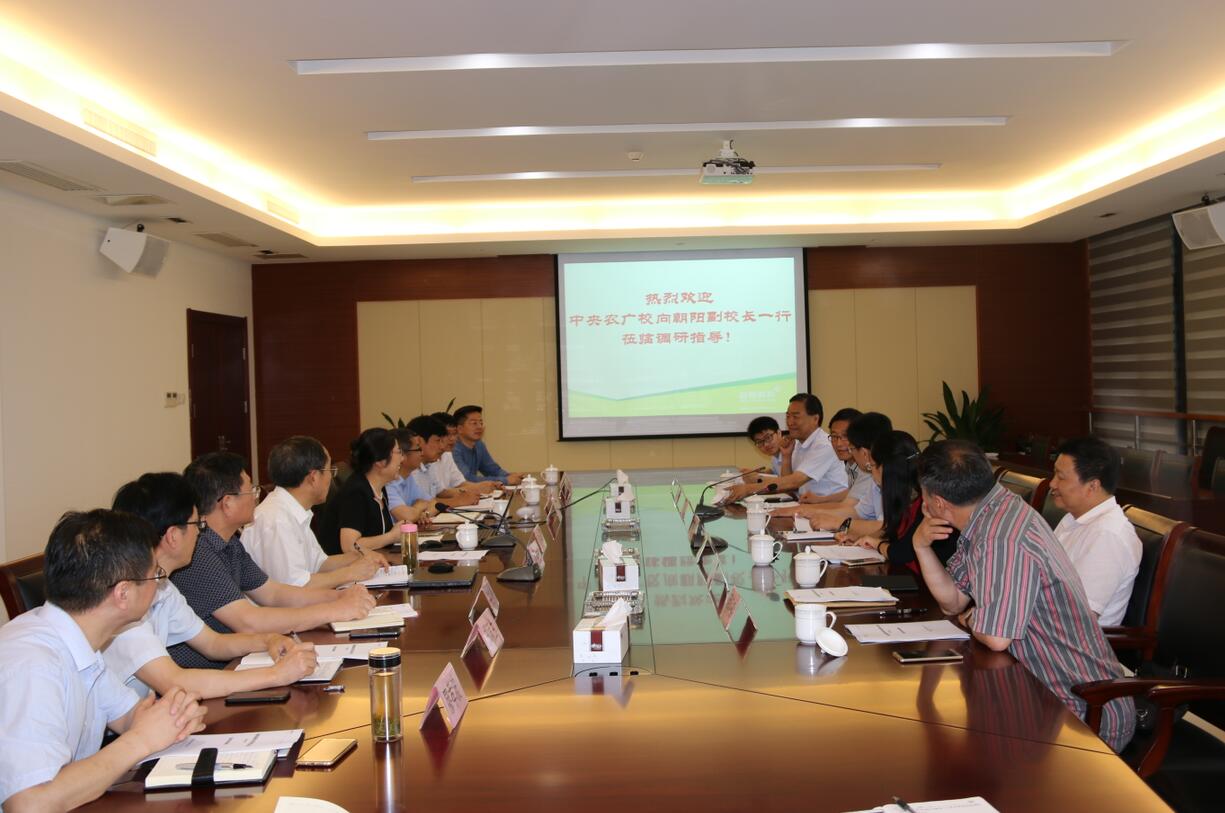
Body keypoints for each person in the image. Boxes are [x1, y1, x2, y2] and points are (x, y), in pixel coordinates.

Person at [911, 440, 1135, 752]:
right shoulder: (990, 512)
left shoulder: (1000, 537)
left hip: (1079, 707)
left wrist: (978, 619)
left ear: (937, 502)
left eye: (922, 495)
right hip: (1035, 688)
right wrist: (921, 545)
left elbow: (996, 637)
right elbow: (953, 603)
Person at [0, 510, 207, 811]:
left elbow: (129, 716)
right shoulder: (33, 664)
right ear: (123, 593)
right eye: (155, 575)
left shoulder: (81, 640)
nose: (158, 584)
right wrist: (142, 740)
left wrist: (174, 715)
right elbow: (30, 804)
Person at [107, 472, 320, 698]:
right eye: (196, 524)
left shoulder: (163, 587)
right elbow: (175, 681)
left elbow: (213, 643)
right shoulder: (124, 604)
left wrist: (269, 640)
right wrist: (276, 674)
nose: (200, 532)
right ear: (172, 536)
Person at [171, 452, 377, 669]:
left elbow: (273, 593)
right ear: (228, 503)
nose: (256, 497)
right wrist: (334, 610)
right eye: (251, 490)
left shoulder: (229, 542)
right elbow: (248, 621)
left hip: (240, 659)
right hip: (213, 672)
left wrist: (338, 596)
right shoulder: (198, 551)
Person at [241, 436, 389, 588]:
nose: (331, 477)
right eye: (329, 470)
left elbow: (318, 564)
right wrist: (350, 573)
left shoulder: (294, 510)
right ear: (314, 477)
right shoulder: (277, 519)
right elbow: (295, 587)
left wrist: (359, 557)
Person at [1049, 437, 1142, 626]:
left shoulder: (1109, 536)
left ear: (1093, 486)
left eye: (1061, 477)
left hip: (1070, 640)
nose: (1052, 483)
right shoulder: (1073, 518)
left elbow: (1077, 619)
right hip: (1045, 626)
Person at [839, 431, 958, 567]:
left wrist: (877, 544)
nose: (872, 473)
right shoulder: (906, 495)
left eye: (872, 466)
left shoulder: (926, 501)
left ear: (886, 469)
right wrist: (864, 539)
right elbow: (894, 532)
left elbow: (901, 553)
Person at [726, 394, 847, 502]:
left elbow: (794, 481)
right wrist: (786, 456)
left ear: (815, 419)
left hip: (829, 508)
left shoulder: (824, 445)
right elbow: (789, 487)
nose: (790, 422)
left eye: (795, 416)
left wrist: (748, 489)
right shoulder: (797, 443)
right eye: (788, 416)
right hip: (805, 505)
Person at [784, 411, 892, 528]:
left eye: (846, 437)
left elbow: (884, 528)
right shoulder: (860, 468)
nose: (839, 444)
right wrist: (820, 501)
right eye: (834, 436)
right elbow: (856, 505)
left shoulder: (873, 473)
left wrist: (808, 510)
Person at [324, 428, 409, 554]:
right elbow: (350, 546)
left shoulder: (378, 488)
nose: (402, 459)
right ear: (380, 461)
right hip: (347, 564)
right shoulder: (356, 493)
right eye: (399, 452)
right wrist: (392, 536)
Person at [451, 405, 525, 485]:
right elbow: (466, 479)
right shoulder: (452, 449)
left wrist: (510, 476)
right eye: (474, 423)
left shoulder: (479, 444)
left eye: (481, 423)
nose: (479, 427)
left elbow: (492, 469)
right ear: (460, 429)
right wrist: (505, 480)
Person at [432, 411, 496, 496]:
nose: (452, 439)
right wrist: (476, 489)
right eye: (447, 434)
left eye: (454, 434)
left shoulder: (447, 455)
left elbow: (460, 483)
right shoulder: (428, 460)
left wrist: (485, 486)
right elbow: (439, 494)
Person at [386, 427, 435, 523]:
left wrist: (423, 514)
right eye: (418, 449)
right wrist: (418, 508)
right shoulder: (388, 483)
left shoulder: (408, 477)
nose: (422, 453)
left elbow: (434, 503)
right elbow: (407, 517)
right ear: (403, 454)